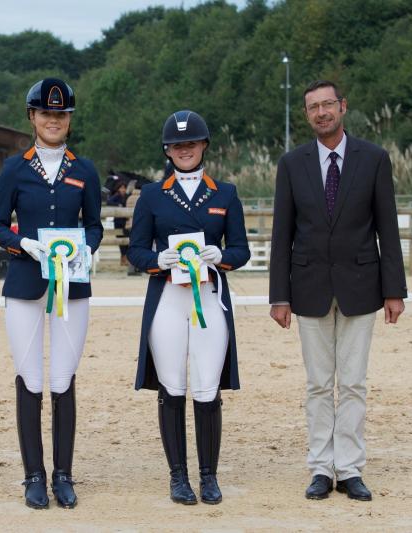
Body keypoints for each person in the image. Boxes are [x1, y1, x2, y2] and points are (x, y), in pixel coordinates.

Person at [269, 80, 407, 502]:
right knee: (316, 384)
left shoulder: (375, 159)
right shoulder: (292, 164)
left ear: (343, 107)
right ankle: (319, 467)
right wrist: (279, 294)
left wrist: (394, 289)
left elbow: (387, 227)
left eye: (328, 104)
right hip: (307, 286)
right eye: (313, 107)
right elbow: (282, 234)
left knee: (352, 384)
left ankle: (349, 468)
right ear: (307, 114)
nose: (322, 112)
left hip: (362, 287)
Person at [0, 78, 102, 509]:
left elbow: (94, 223)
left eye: (61, 114)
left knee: (63, 379)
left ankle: (63, 474)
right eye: (46, 114)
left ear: (68, 119)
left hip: (71, 285)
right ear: (32, 117)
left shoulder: (84, 170)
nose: (53, 121)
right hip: (25, 285)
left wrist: (86, 249)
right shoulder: (14, 168)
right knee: (31, 379)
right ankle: (33, 475)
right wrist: (24, 243)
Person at [127, 110, 250, 505]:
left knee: (207, 387)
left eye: (191, 144)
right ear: (168, 150)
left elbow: (241, 250)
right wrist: (156, 260)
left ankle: (209, 475)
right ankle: (178, 476)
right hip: (167, 299)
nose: (185, 150)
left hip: (209, 299)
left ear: (203, 147)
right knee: (172, 387)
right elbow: (137, 250)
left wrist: (221, 255)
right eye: (178, 145)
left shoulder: (225, 194)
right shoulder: (151, 195)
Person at [106, 181, 129, 265]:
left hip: (126, 221)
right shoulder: (116, 196)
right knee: (120, 240)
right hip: (118, 221)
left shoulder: (127, 196)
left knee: (127, 240)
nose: (123, 189)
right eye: (121, 188)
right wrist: (119, 205)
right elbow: (109, 202)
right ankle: (123, 258)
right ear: (118, 189)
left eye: (124, 188)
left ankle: (125, 258)